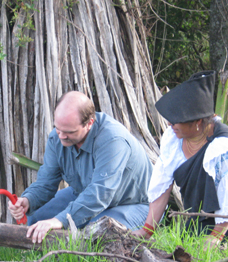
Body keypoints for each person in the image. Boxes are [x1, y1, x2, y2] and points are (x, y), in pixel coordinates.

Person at [132, 71, 228, 249]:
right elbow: (162, 187)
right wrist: (146, 231)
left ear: (196, 122)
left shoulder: (223, 147)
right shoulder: (173, 139)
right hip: (202, 219)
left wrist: (215, 238)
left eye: (176, 121)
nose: (170, 125)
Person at [8, 91, 153, 243]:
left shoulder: (113, 140)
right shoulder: (57, 138)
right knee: (38, 216)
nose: (61, 136)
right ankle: (39, 256)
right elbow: (46, 182)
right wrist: (28, 200)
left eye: (69, 132)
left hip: (134, 204)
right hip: (83, 193)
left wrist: (60, 220)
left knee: (96, 232)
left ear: (89, 123)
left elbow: (100, 193)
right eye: (58, 128)